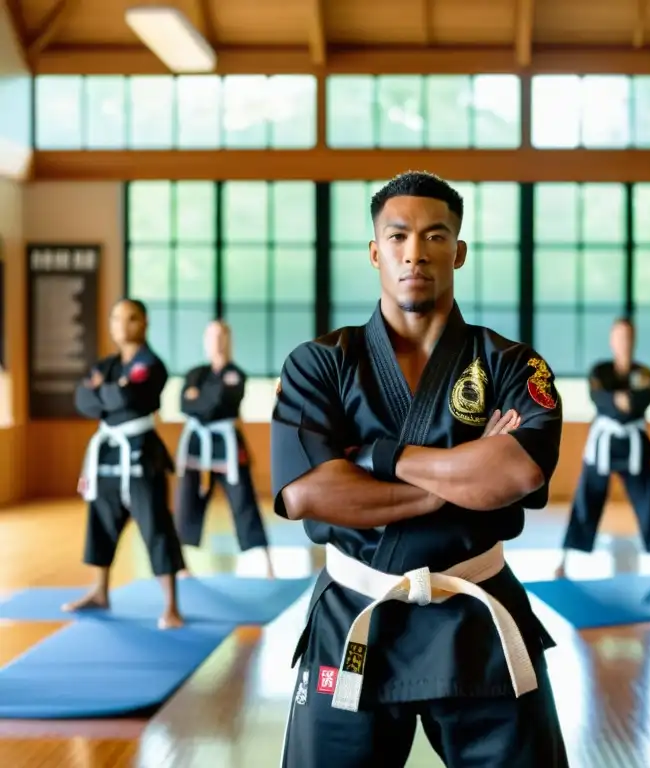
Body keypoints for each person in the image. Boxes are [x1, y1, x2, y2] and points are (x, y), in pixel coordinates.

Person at [271, 172, 569, 767]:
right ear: (376, 250)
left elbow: (513, 476)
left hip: (477, 614)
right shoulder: (320, 364)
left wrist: (381, 457)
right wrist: (452, 485)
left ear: (458, 251)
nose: (416, 252)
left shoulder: (511, 364)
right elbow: (310, 492)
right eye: (398, 235)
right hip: (358, 612)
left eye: (435, 236)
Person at [63, 298, 185, 629]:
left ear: (144, 323)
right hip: (107, 452)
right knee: (101, 518)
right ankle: (100, 591)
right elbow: (83, 400)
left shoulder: (151, 364)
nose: (122, 325)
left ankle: (171, 605)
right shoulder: (106, 366)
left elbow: (131, 399)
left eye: (131, 318)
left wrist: (108, 394)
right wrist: (110, 392)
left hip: (142, 453)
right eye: (116, 318)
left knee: (156, 525)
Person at [554, 317, 650, 578]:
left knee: (648, 500)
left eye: (629, 337)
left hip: (633, 443)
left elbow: (641, 401)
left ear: (634, 340)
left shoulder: (644, 373)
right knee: (587, 498)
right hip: (604, 443)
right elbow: (600, 400)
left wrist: (620, 400)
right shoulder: (600, 370)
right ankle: (565, 560)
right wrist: (617, 400)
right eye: (619, 337)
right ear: (612, 340)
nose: (624, 342)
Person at [174, 320, 274, 578]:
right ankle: (180, 565)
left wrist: (201, 398)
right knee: (186, 501)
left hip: (227, 445)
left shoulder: (236, 374)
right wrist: (204, 399)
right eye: (211, 337)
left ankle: (266, 563)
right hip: (197, 444)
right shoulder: (195, 372)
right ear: (205, 341)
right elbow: (185, 405)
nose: (216, 342)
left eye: (221, 336)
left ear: (229, 341)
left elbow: (217, 403)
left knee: (244, 500)